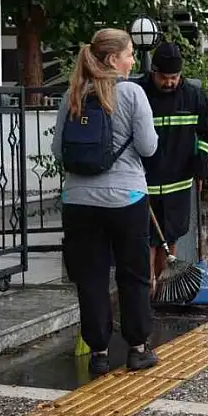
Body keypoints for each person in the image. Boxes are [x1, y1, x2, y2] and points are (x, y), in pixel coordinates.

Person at [52, 28, 160, 375]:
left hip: (79, 201)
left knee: (91, 277)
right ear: (114, 59)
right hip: (126, 198)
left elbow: (58, 151)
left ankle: (98, 353)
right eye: (129, 54)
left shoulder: (72, 94)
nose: (132, 60)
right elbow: (148, 147)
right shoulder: (132, 93)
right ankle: (138, 349)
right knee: (133, 275)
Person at [138, 42, 208, 289]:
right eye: (164, 78)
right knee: (147, 241)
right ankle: (147, 290)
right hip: (145, 184)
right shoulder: (139, 93)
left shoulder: (194, 96)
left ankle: (165, 289)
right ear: (153, 72)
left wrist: (201, 164)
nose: (170, 83)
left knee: (170, 238)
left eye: (174, 77)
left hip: (178, 184)